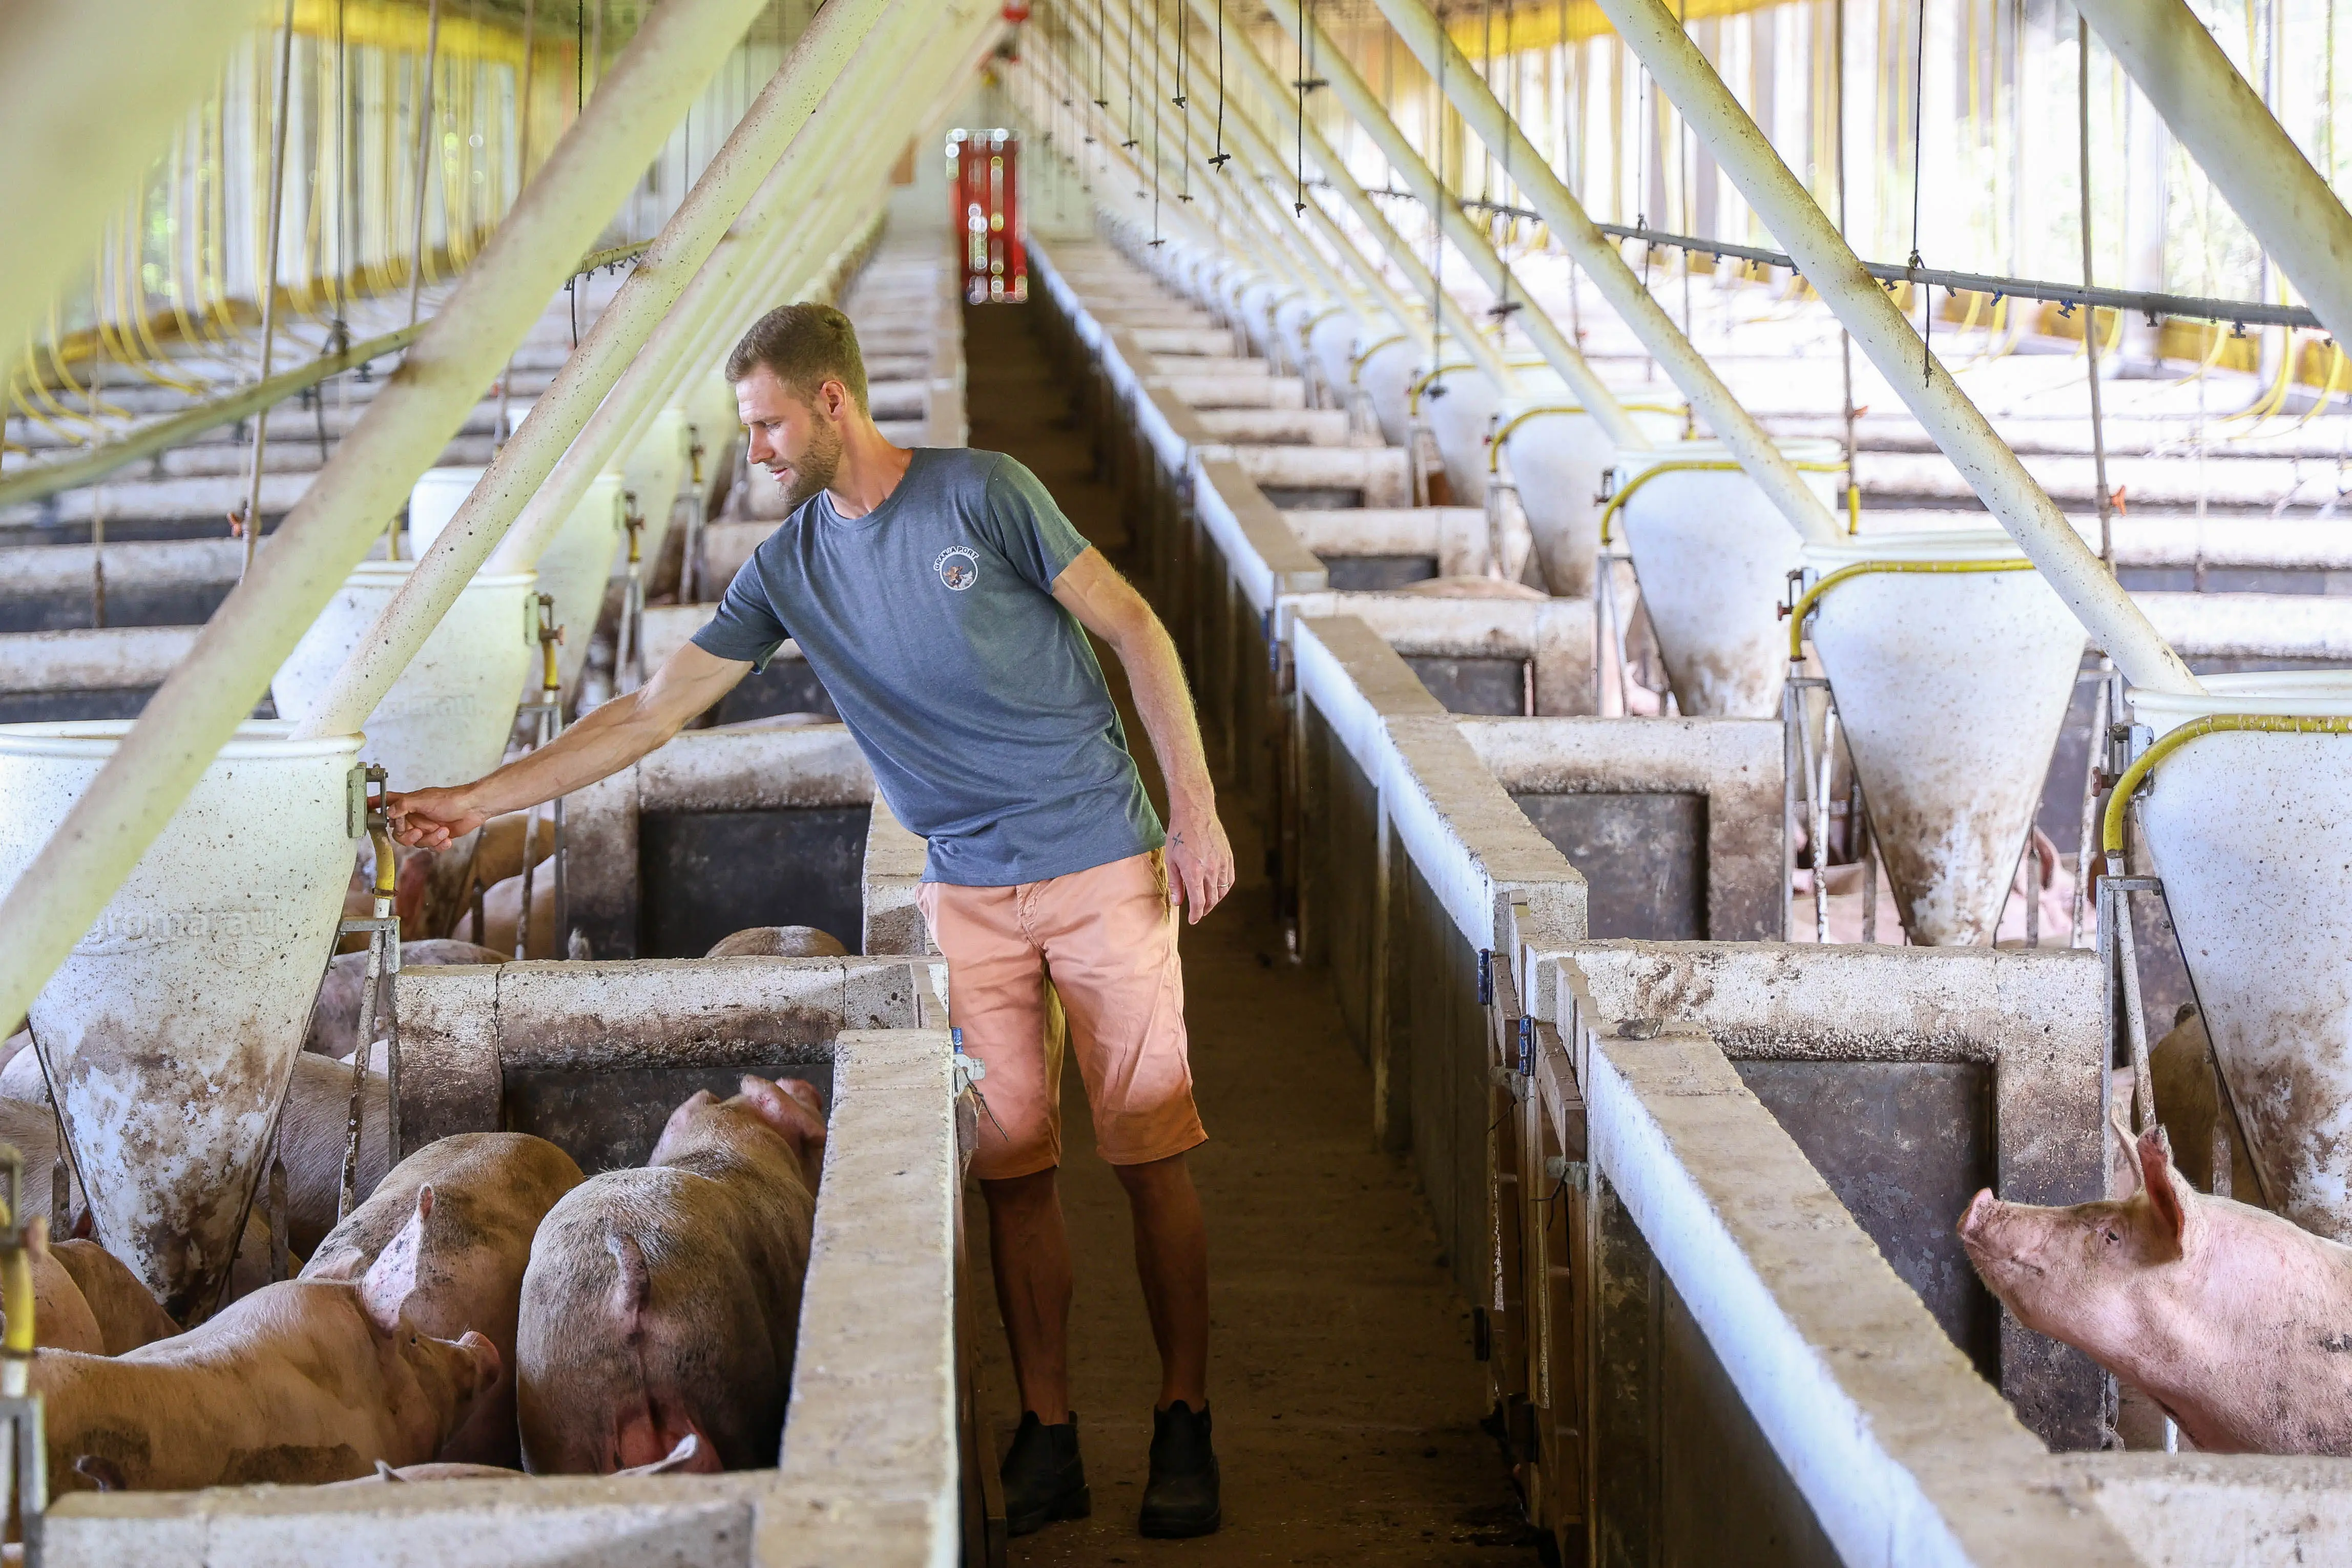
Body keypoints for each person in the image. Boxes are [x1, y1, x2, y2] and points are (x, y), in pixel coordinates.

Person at [387, 302, 1232, 1540]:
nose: (758, 452)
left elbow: (1133, 626)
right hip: (965, 891)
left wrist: (1193, 814)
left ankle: (1184, 1417)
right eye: (749, 430)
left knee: (1150, 1151)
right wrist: (475, 799)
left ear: (833, 401)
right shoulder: (789, 568)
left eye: (769, 425)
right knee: (1010, 1174)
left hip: (1100, 859)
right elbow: (649, 712)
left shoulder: (984, 494)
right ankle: (1049, 1429)